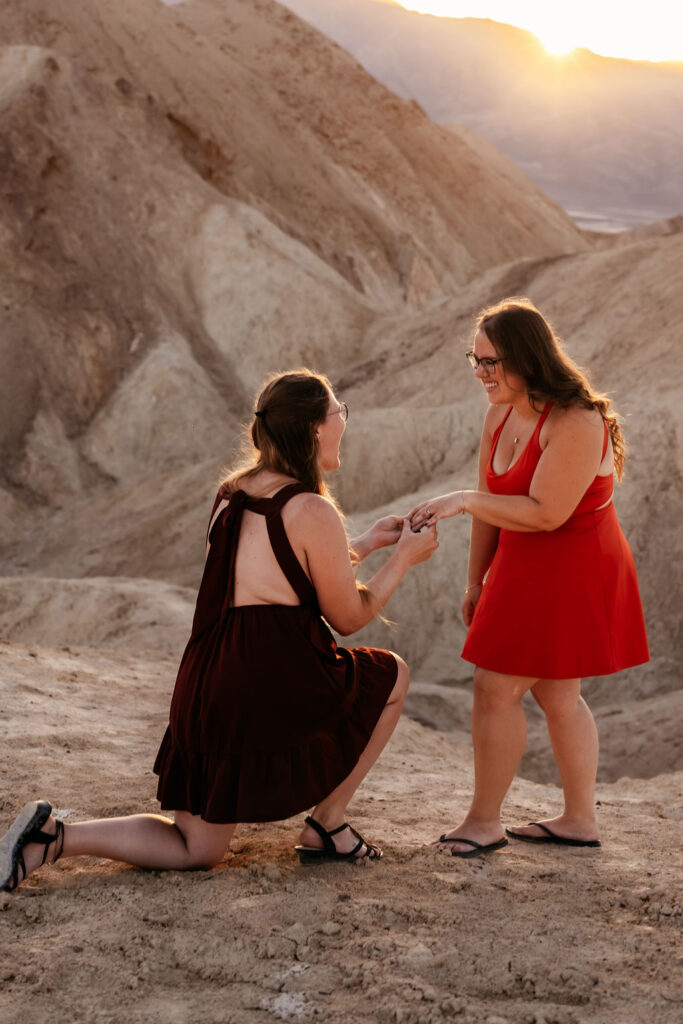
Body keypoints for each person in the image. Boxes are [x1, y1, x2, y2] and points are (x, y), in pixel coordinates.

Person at [1, 369, 438, 892]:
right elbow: (346, 616)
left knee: (198, 848)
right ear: (316, 430)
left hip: (207, 687)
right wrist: (405, 559)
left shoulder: (231, 495)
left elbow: (276, 575)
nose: (343, 420)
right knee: (391, 677)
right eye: (338, 411)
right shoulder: (312, 509)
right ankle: (327, 822)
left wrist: (364, 544)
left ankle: (54, 836)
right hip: (265, 687)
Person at [410, 298, 649, 859]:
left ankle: (484, 822)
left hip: (573, 563)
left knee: (495, 688)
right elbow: (495, 507)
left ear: (527, 357)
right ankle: (578, 820)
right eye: (477, 359)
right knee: (556, 691)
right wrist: (476, 583)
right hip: (525, 560)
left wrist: (463, 501)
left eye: (492, 362)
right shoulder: (499, 415)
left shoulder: (575, 421)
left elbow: (546, 513)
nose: (481, 373)